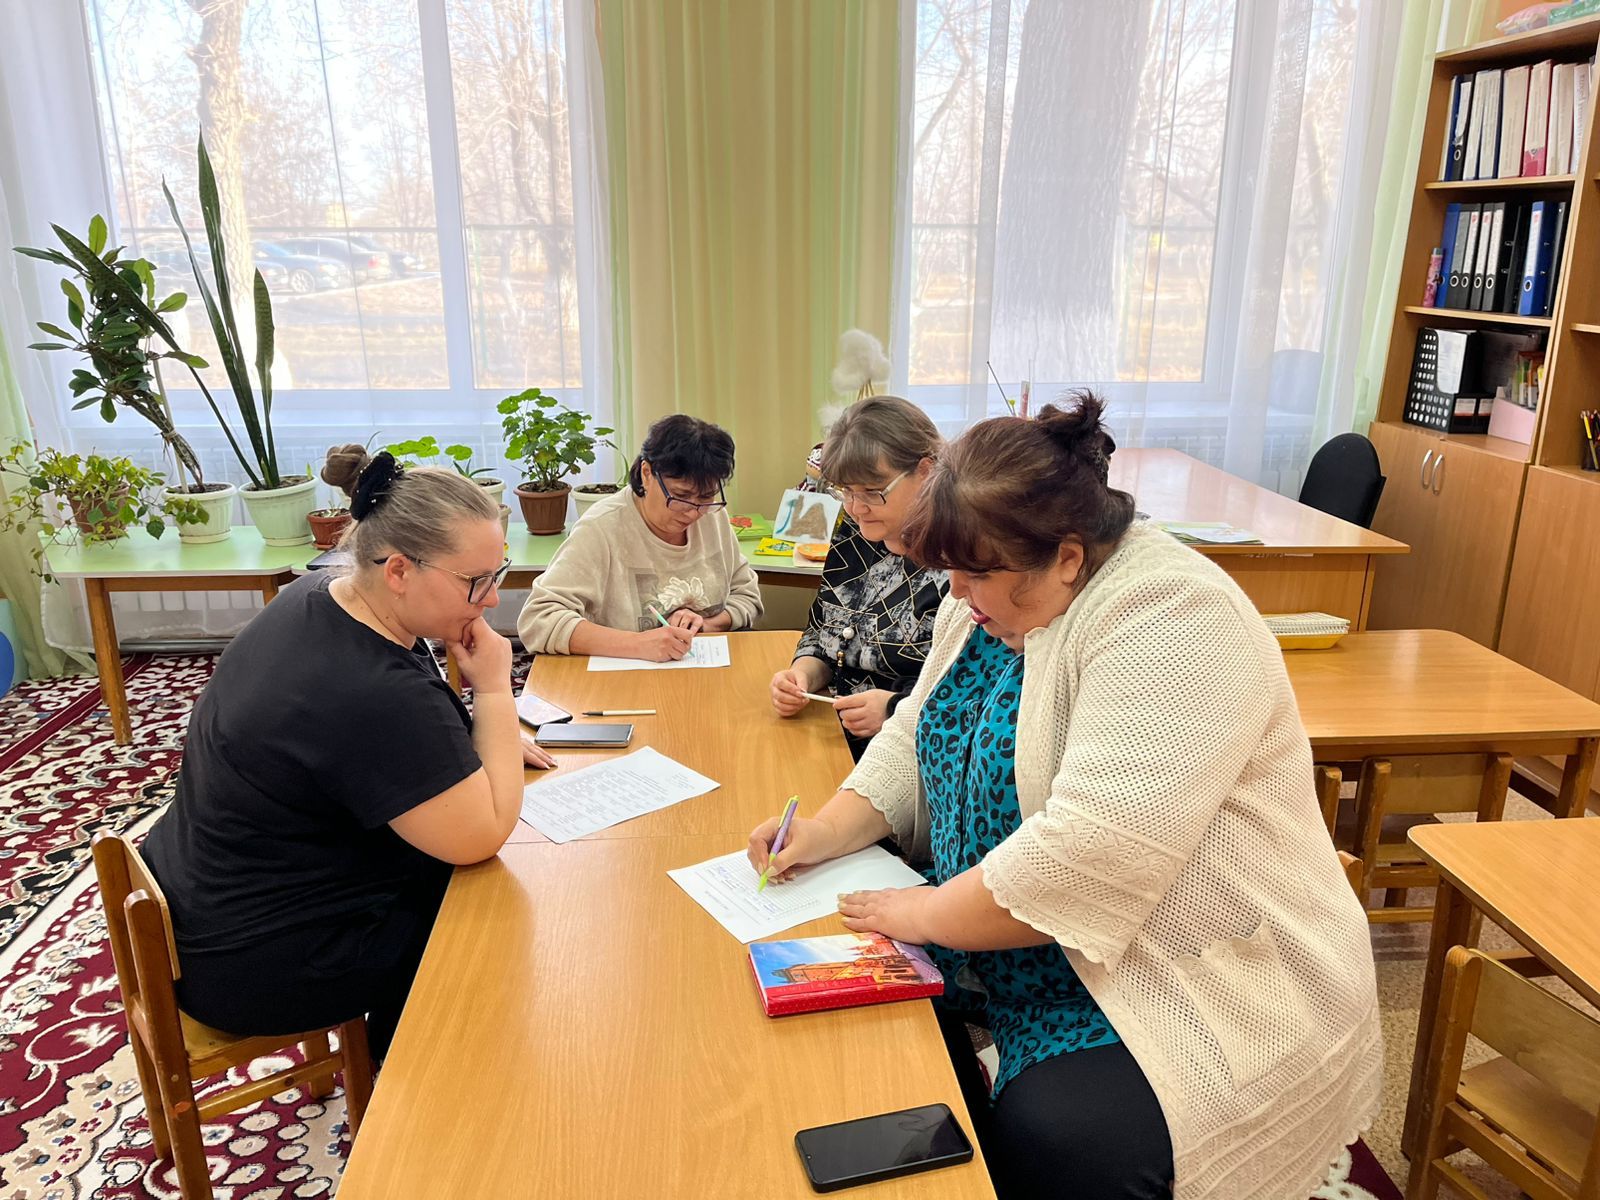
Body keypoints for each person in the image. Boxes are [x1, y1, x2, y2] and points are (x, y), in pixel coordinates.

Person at [748, 394, 1381, 1200]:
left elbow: (1087, 855)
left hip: (1190, 969)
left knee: (1062, 1138)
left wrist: (919, 911)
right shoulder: (993, 593)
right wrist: (826, 831)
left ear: (1069, 559)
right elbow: (916, 733)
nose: (958, 593)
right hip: (1022, 942)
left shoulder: (1174, 614)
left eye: (976, 575)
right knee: (859, 1041)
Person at [143, 451, 554, 1060]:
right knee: (481, 913)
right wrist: (494, 690)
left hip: (202, 903)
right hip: (258, 959)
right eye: (476, 581)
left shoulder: (319, 593)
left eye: (498, 573)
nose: (492, 600)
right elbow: (482, 833)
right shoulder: (372, 691)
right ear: (398, 570)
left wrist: (465, 739)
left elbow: (376, 745)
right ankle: (420, 1087)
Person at [769, 396, 949, 759]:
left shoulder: (959, 563)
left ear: (926, 471)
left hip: (910, 755)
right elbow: (822, 633)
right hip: (832, 740)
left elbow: (971, 697)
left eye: (872, 492)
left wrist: (895, 709)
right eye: (846, 491)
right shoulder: (855, 535)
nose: (855, 507)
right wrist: (802, 677)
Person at [517, 414, 763, 662]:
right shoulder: (602, 528)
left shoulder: (711, 517)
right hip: (622, 677)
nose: (693, 512)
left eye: (706, 497)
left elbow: (746, 594)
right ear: (647, 473)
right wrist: (639, 644)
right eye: (680, 496)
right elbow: (538, 620)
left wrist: (707, 625)